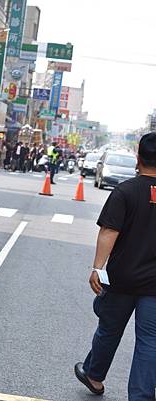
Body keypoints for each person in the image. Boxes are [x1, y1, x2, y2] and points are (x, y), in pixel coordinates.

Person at [75, 132, 156, 400]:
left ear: (138, 158)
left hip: (122, 278)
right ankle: (141, 396)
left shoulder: (126, 191)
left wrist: (98, 267)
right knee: (149, 342)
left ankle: (94, 376)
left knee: (109, 329)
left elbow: (109, 231)